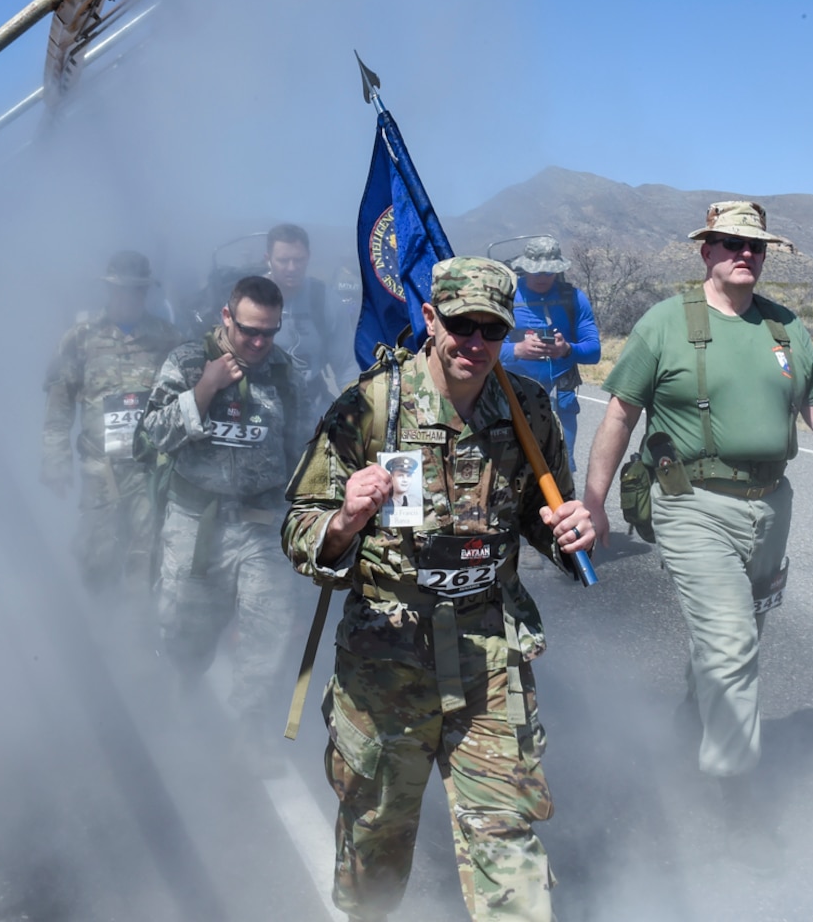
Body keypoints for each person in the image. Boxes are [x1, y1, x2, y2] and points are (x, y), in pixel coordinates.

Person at [282, 256, 595, 922]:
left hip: (489, 654)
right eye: (461, 326)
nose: (476, 344)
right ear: (430, 319)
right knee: (376, 834)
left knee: (504, 834)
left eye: (492, 329)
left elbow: (550, 516)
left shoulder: (526, 408)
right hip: (387, 659)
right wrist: (344, 519)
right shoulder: (370, 406)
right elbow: (299, 526)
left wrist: (573, 530)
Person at [582, 201, 813, 869]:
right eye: (728, 243)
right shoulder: (666, 324)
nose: (742, 254)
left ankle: (687, 735)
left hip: (768, 505)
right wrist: (594, 503)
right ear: (705, 252)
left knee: (735, 636)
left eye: (753, 246)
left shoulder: (782, 328)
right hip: (691, 505)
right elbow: (619, 415)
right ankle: (737, 796)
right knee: (729, 643)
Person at [137, 274, 312, 758]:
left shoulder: (284, 371)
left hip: (262, 522)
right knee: (184, 627)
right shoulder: (189, 361)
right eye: (249, 330)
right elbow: (150, 435)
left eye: (269, 332)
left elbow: (302, 449)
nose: (259, 342)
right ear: (227, 317)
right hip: (197, 522)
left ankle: (247, 730)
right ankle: (179, 705)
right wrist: (203, 391)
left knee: (267, 630)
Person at [42, 250, 183, 593]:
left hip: (149, 469)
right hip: (99, 469)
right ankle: (100, 628)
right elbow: (59, 408)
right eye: (122, 288)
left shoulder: (169, 339)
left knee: (146, 557)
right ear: (109, 289)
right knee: (98, 556)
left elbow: (183, 405)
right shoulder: (81, 338)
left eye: (138, 289)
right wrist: (55, 462)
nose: (130, 296)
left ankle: (137, 633)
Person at [498, 235, 601, 466]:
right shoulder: (507, 298)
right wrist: (517, 350)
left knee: (562, 464)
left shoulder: (572, 298)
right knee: (515, 467)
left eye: (548, 271)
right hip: (515, 398)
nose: (542, 277)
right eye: (536, 271)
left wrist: (567, 350)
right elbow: (484, 350)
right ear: (525, 267)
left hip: (561, 398)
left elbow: (594, 351)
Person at [265, 223, 357, 420]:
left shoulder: (326, 301)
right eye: (283, 260)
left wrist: (358, 413)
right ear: (268, 260)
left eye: (298, 260)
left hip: (311, 408)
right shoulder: (251, 299)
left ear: (309, 257)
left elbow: (346, 365)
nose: (292, 268)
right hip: (261, 408)